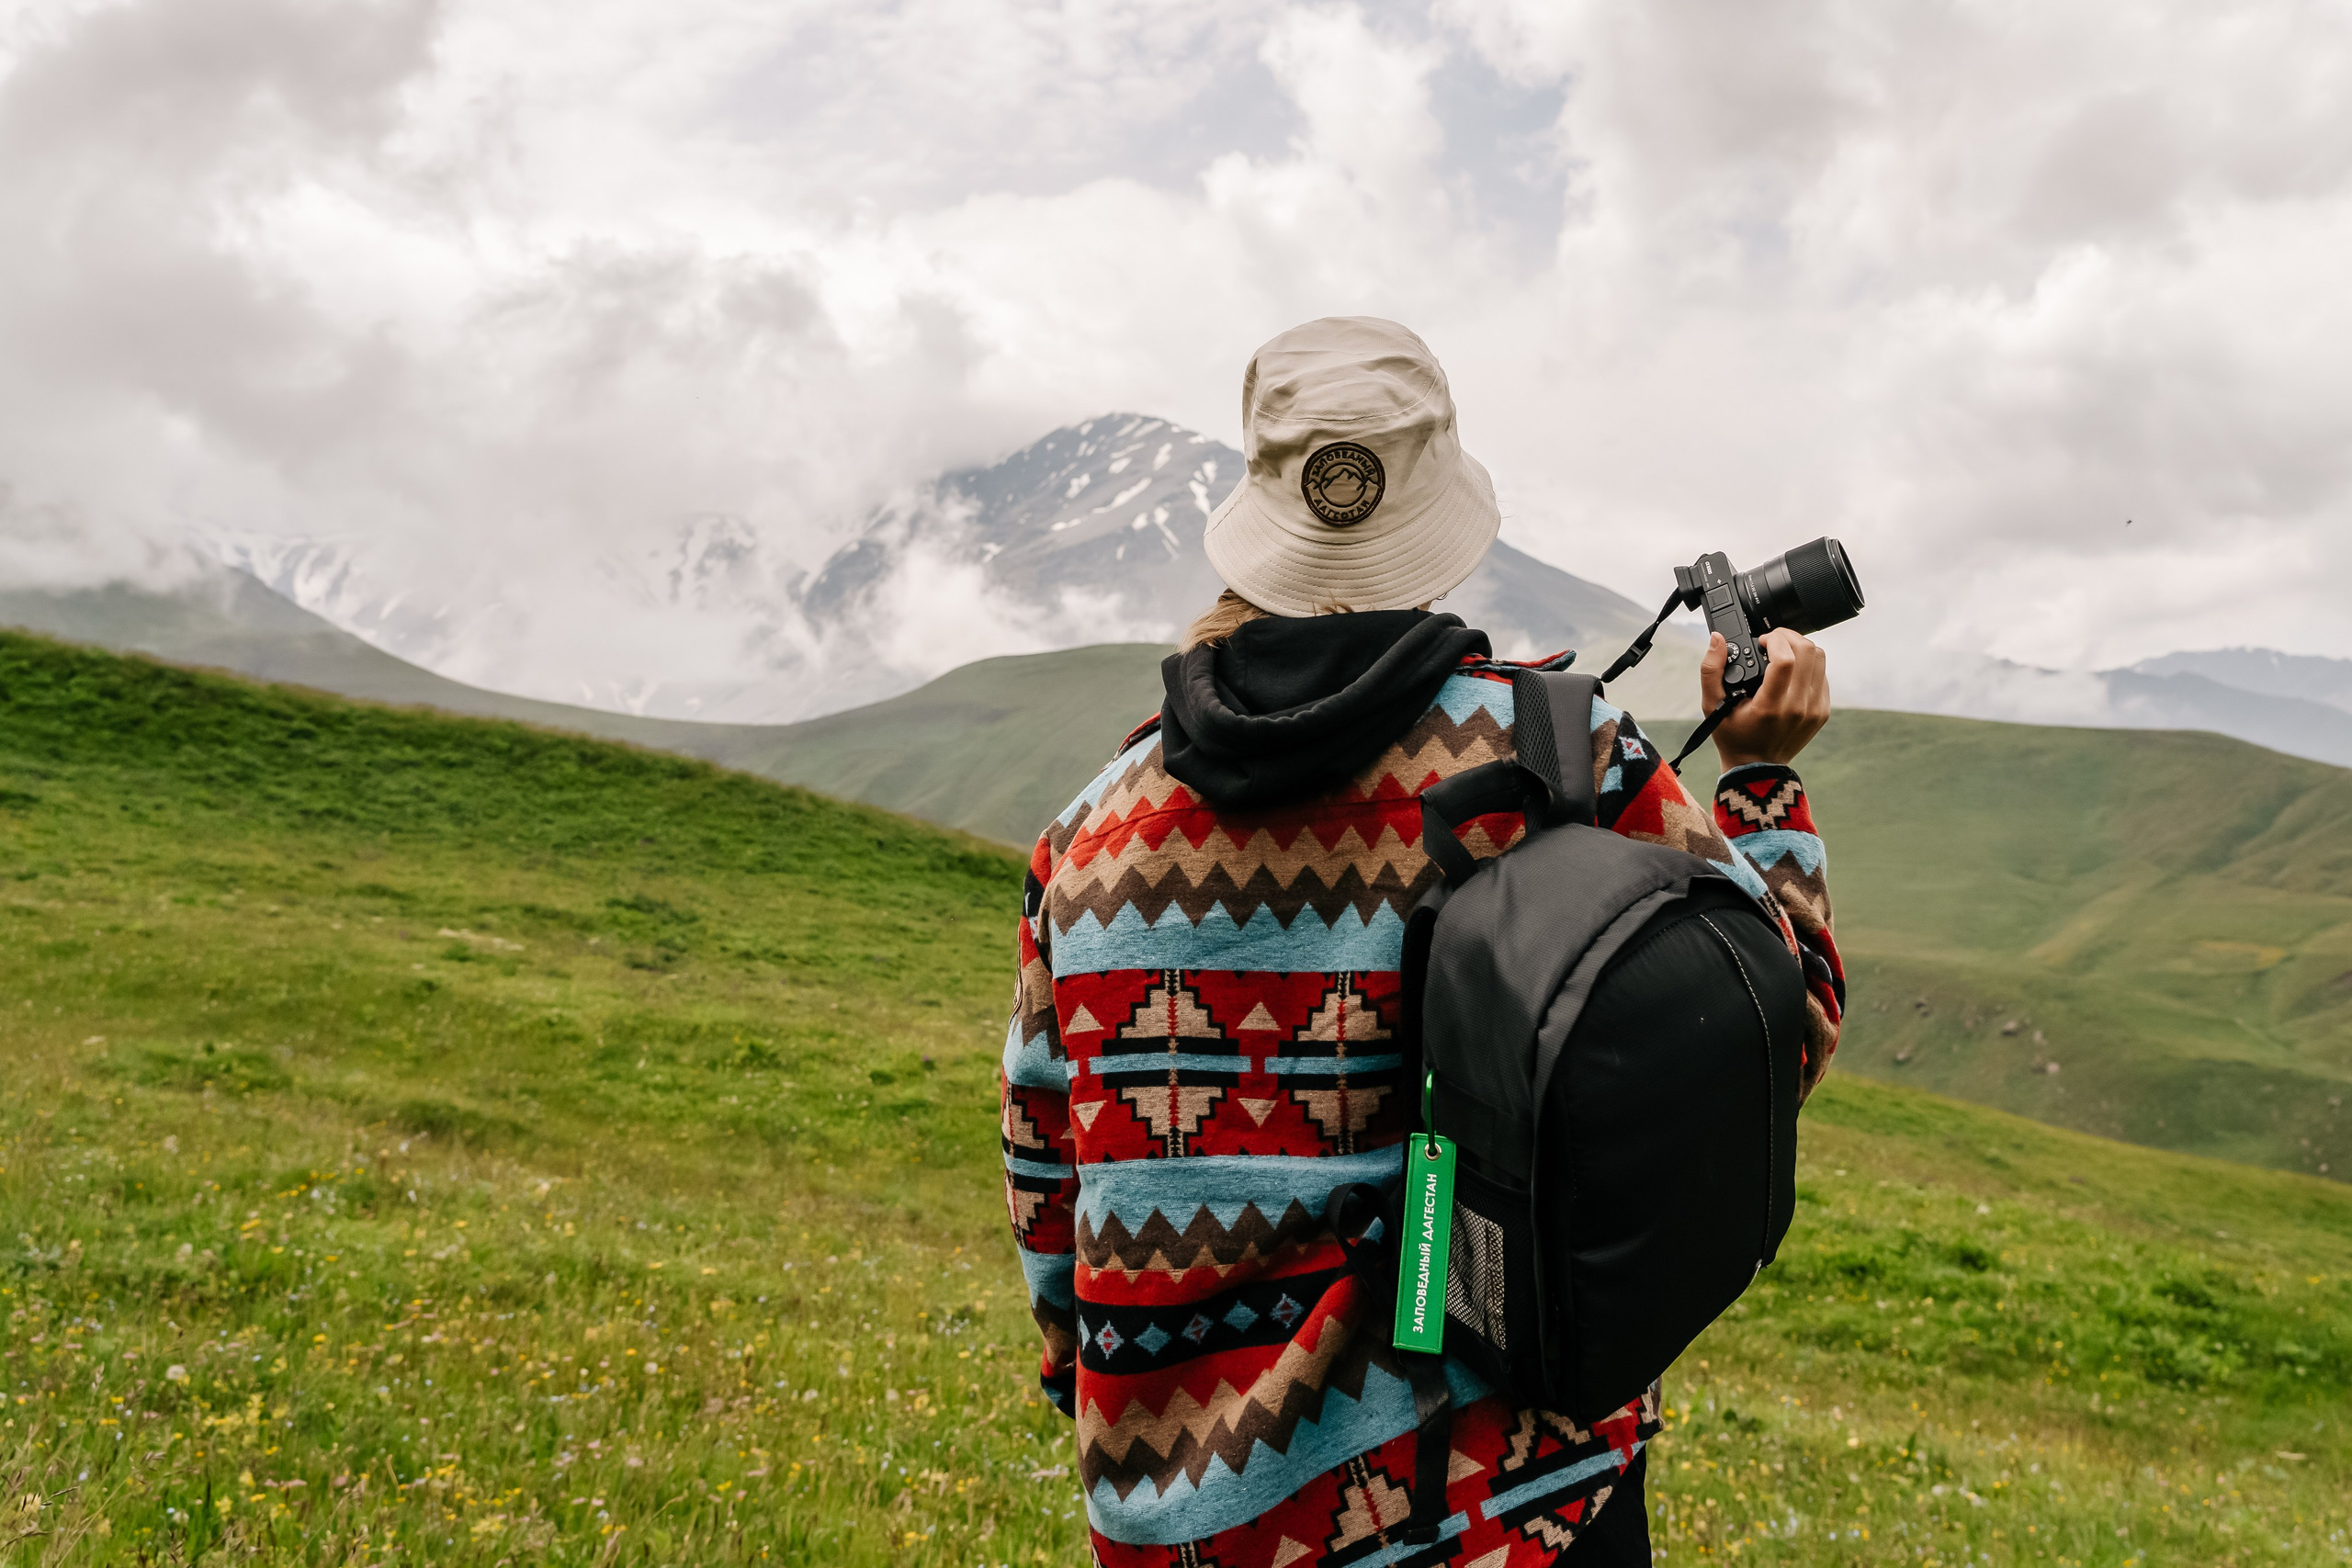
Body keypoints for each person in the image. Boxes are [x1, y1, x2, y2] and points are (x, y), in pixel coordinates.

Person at [1001, 317, 1844, 1567]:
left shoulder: (1087, 837)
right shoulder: (1557, 758)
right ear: (1440, 509)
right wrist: (1763, 787)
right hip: (1508, 1510)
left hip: (1181, 1529)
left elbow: (1047, 1185)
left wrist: (1098, 1376)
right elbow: (1777, 1031)